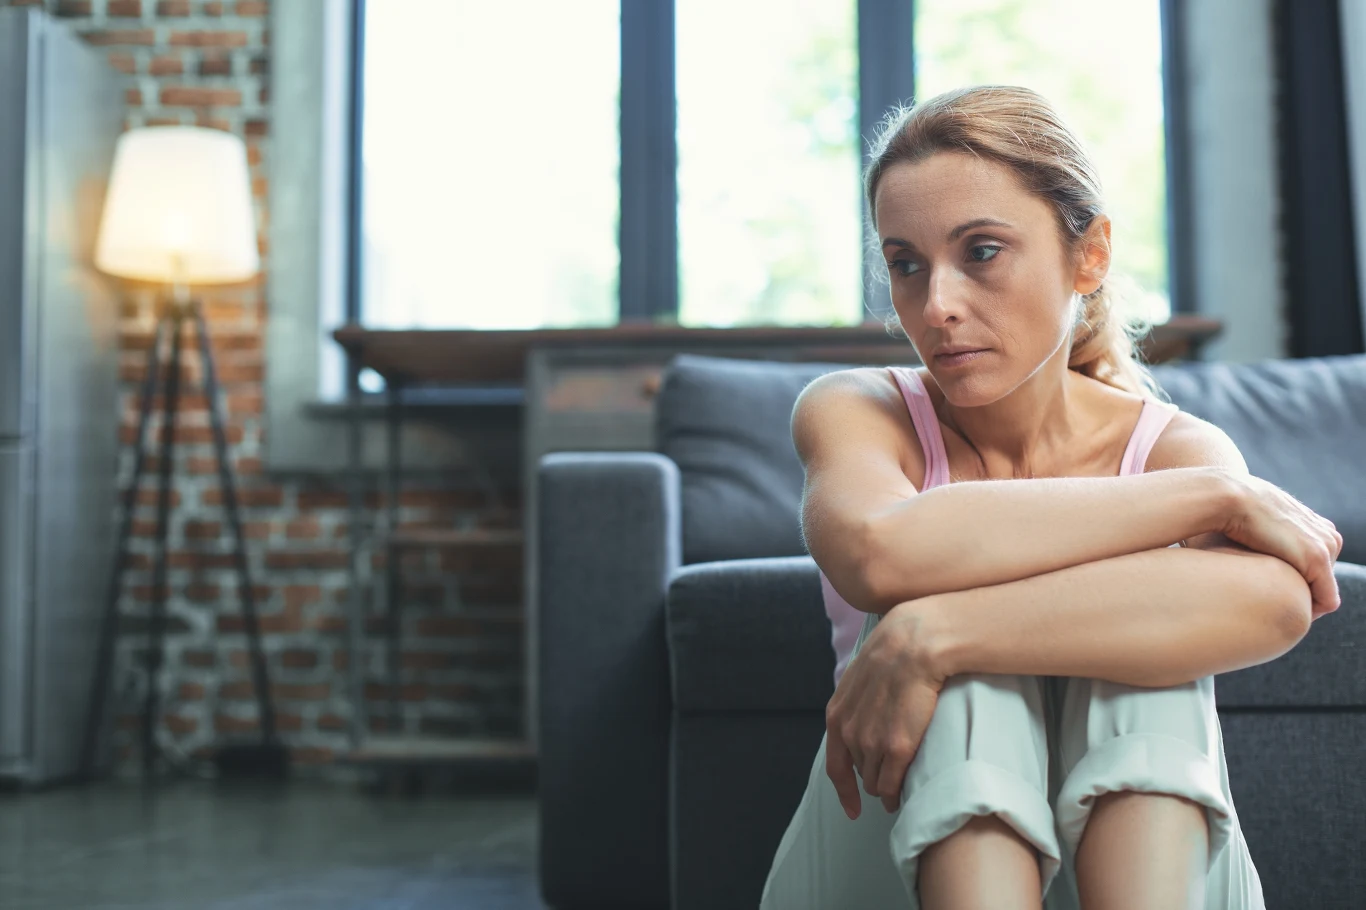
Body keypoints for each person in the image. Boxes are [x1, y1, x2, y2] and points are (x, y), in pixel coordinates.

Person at [758, 85, 1343, 910]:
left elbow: (1281, 600)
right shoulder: (859, 409)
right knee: (967, 661)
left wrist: (939, 634)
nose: (938, 306)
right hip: (885, 870)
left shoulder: (1172, 449)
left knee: (1134, 661)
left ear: (1089, 254)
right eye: (907, 264)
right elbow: (879, 551)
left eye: (983, 251)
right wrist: (1212, 498)